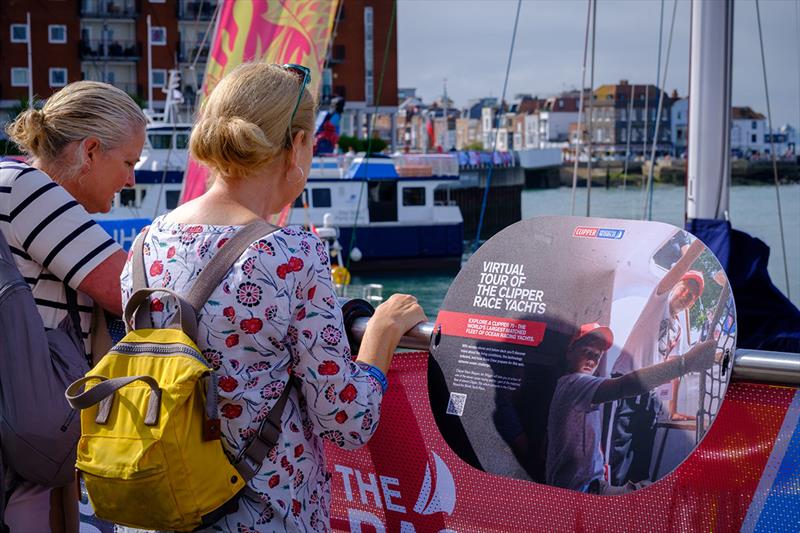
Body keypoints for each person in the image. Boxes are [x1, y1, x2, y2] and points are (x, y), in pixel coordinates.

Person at [119, 62, 426, 531]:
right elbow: (346, 418)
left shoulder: (145, 244)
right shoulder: (289, 254)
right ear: (297, 145)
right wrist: (380, 335)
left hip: (158, 507)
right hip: (260, 512)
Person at [2, 81, 146, 531]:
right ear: (89, 151)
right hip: (22, 448)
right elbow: (133, 294)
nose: (130, 180)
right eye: (127, 162)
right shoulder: (29, 188)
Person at [546, 323, 716, 495]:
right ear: (570, 352)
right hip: (582, 490)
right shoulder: (574, 383)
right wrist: (684, 364)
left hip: (590, 483)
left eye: (597, 356)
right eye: (587, 352)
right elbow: (625, 385)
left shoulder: (575, 387)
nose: (592, 360)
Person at [608, 237, 708, 485]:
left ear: (693, 303)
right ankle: (610, 500)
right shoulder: (658, 302)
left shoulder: (678, 330)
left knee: (643, 454)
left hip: (650, 395)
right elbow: (680, 267)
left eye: (693, 295)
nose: (687, 295)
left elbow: (671, 372)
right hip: (627, 383)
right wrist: (695, 251)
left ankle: (636, 505)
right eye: (685, 287)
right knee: (618, 452)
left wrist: (671, 410)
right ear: (676, 285)